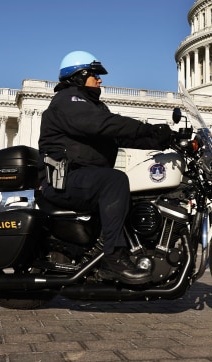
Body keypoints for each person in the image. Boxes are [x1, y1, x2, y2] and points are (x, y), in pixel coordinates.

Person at [37, 50, 172, 285]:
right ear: (79, 76)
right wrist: (148, 129)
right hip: (64, 180)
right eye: (95, 74)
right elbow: (104, 126)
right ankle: (114, 257)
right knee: (115, 180)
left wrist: (163, 139)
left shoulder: (92, 107)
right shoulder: (68, 101)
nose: (100, 79)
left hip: (83, 178)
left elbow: (120, 137)